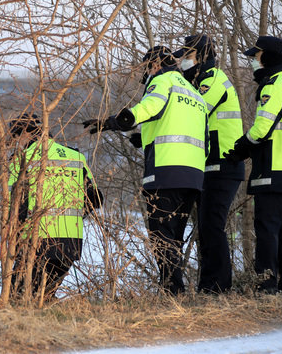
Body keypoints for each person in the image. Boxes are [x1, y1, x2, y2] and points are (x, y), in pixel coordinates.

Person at [84, 46, 208, 295]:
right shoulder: (194, 92)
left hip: (165, 171)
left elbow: (150, 107)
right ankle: (176, 289)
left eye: (145, 68)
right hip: (194, 175)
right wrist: (143, 139)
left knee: (161, 234)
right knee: (175, 235)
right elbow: (191, 131)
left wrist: (115, 121)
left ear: (154, 65)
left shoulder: (162, 81)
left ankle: (172, 291)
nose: (144, 74)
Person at [224, 36, 282, 294]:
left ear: (268, 57)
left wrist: (240, 147)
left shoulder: (272, 86)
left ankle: (266, 285)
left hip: (272, 171)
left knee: (267, 230)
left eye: (256, 57)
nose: (253, 63)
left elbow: (261, 129)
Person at [173, 35, 244, 294]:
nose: (183, 62)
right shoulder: (200, 80)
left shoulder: (212, 80)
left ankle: (218, 286)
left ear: (202, 56)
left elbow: (194, 111)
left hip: (224, 164)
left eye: (188, 56)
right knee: (206, 227)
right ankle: (210, 285)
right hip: (210, 167)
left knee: (212, 226)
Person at [8, 114, 103, 300]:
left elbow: (16, 206)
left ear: (26, 134)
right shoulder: (75, 156)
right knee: (44, 296)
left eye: (16, 136)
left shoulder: (21, 160)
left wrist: (15, 238)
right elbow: (96, 199)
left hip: (35, 241)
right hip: (70, 242)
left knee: (18, 297)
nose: (16, 142)